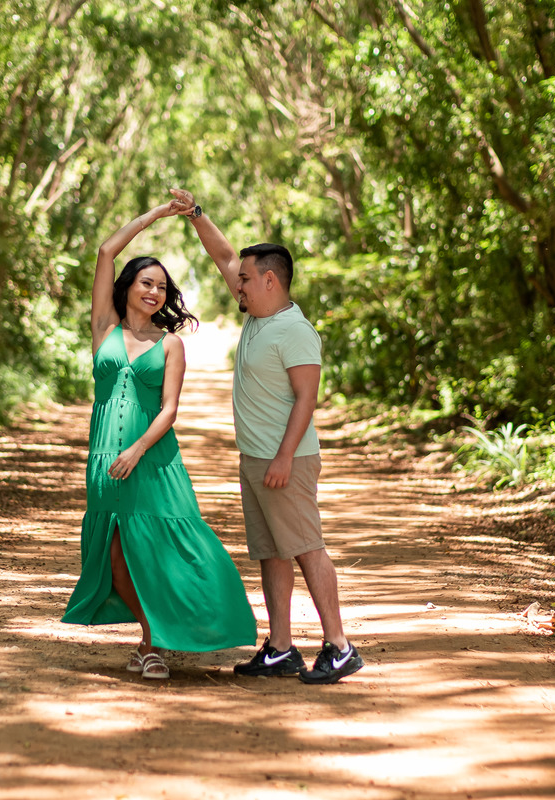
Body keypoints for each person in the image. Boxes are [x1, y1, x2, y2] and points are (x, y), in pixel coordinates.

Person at [61, 193, 256, 679]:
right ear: (128, 286)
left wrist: (137, 449)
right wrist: (157, 215)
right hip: (105, 458)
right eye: (146, 283)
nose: (154, 292)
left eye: (163, 288)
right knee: (114, 555)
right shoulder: (104, 329)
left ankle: (155, 644)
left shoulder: (170, 344)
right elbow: (106, 250)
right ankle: (151, 639)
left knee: (162, 549)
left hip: (152, 459)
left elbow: (169, 410)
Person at [173, 189, 364, 685]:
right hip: (256, 459)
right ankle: (281, 648)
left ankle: (340, 647)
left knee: (307, 547)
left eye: (244, 279)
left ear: (270, 280)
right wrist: (196, 214)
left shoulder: (294, 330)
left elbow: (306, 399)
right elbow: (223, 254)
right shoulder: (257, 314)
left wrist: (282, 457)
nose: (236, 284)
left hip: (287, 461)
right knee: (273, 553)